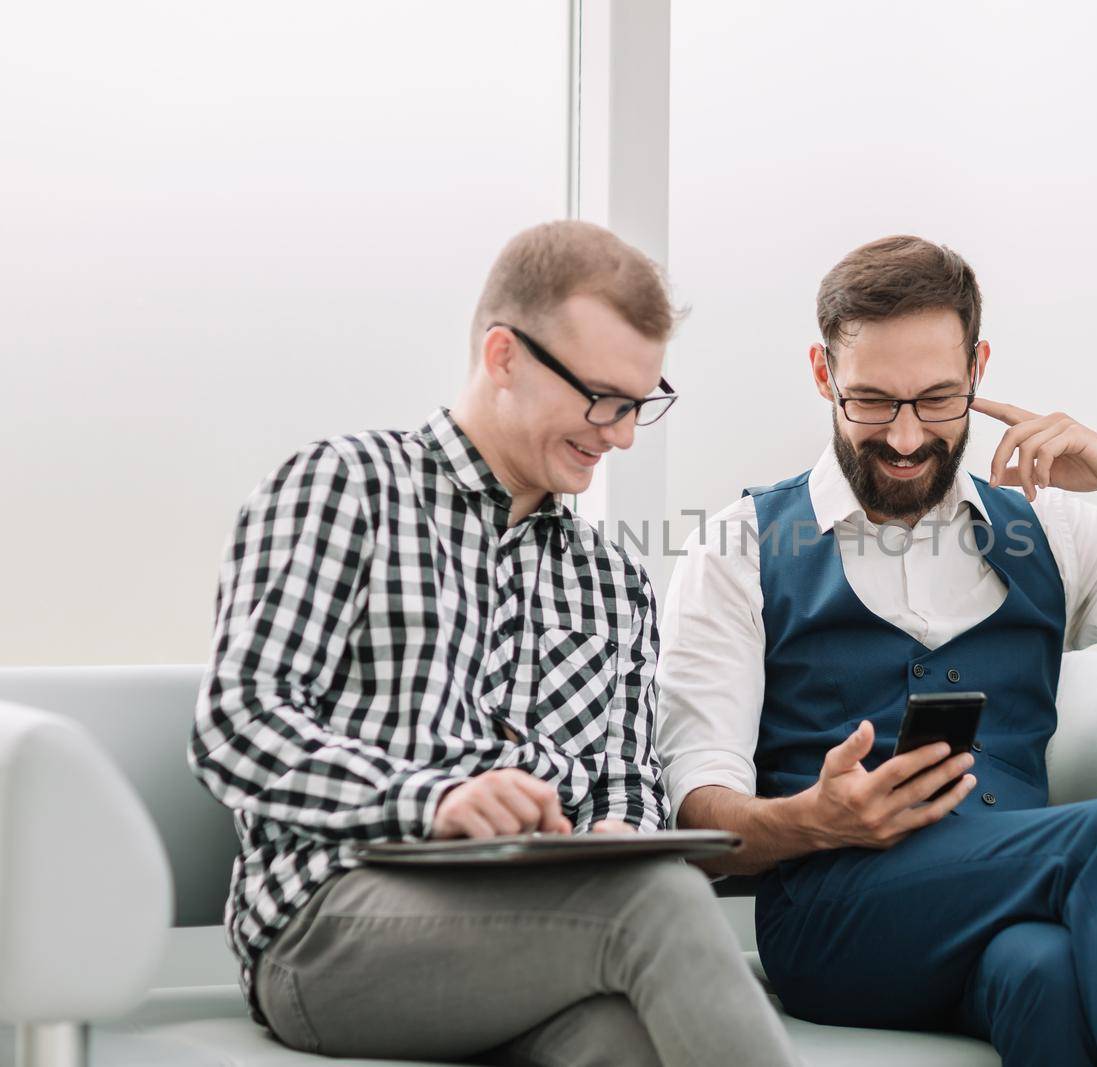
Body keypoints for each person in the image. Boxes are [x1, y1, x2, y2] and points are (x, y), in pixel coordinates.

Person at [657, 234, 1097, 1066]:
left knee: (1040, 970)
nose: (905, 438)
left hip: (1002, 914)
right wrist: (812, 819)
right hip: (835, 921)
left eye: (937, 400)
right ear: (824, 374)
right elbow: (697, 813)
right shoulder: (742, 545)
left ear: (978, 368)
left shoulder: (1049, 527)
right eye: (871, 401)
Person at [189, 220, 798, 1067]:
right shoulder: (348, 487)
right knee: (655, 903)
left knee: (628, 1044)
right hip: (327, 927)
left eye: (638, 403)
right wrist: (432, 802)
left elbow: (627, 776)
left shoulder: (613, 580)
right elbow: (237, 725)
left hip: (533, 931)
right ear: (504, 355)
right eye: (602, 398)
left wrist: (621, 827)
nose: (620, 433)